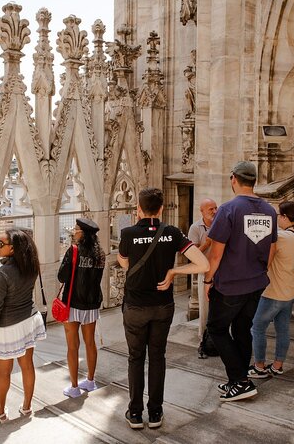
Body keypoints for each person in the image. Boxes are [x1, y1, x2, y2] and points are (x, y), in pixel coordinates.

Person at [117, 187, 209, 429]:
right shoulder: (172, 232)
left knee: (136, 358)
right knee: (157, 357)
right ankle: (155, 413)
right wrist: (174, 271)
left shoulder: (127, 234)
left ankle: (135, 414)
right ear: (160, 209)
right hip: (162, 306)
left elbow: (125, 263)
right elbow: (203, 264)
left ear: (138, 209)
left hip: (136, 307)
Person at [204, 161, 277, 402]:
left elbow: (216, 253)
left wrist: (207, 281)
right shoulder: (268, 210)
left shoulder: (229, 209)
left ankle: (241, 381)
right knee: (242, 329)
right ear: (254, 181)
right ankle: (239, 378)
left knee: (216, 329)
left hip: (231, 285)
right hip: (256, 282)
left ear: (233, 178)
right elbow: (272, 249)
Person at [0, 228, 46, 422]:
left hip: (7, 327)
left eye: (1, 244)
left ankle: (1, 413)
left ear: (12, 249)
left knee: (3, 371)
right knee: (27, 365)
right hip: (29, 321)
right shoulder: (31, 266)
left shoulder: (1, 275)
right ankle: (27, 408)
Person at [248, 201, 294, 379]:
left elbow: (256, 247)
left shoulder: (282, 237)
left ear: (284, 217)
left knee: (257, 328)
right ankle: (277, 365)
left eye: (276, 216)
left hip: (275, 292)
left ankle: (259, 366)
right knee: (283, 329)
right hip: (291, 291)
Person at [58, 218, 106, 398]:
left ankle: (74, 387)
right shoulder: (100, 253)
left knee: (72, 346)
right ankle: (91, 381)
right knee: (90, 343)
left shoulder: (74, 250)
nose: (74, 232)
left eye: (77, 229)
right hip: (92, 304)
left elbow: (62, 277)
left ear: (83, 233)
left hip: (73, 303)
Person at [187, 198, 218, 339]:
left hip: (221, 272)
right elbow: (191, 256)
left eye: (215, 208)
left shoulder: (221, 225)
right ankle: (203, 340)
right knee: (205, 308)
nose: (215, 211)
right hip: (204, 273)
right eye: (211, 209)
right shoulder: (195, 228)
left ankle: (217, 338)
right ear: (202, 211)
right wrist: (206, 244)